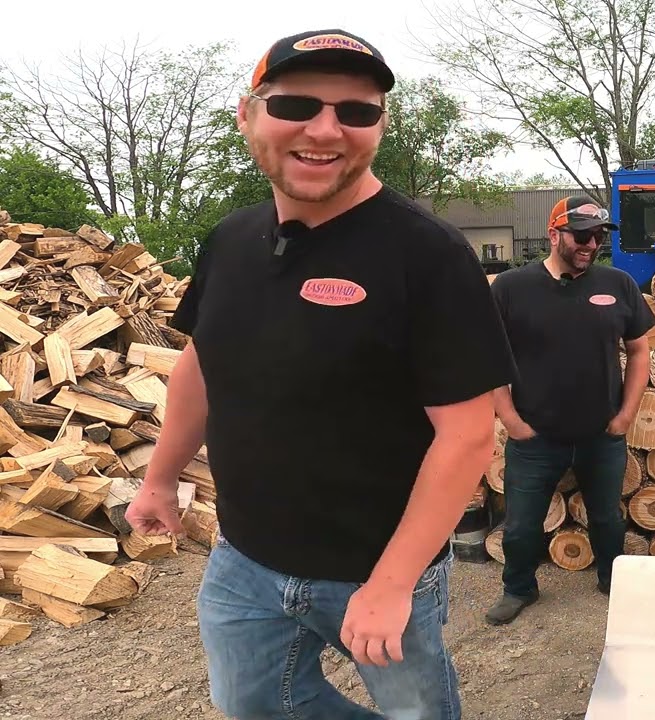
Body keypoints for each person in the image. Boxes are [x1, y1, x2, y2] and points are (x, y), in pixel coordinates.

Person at [123, 28, 516, 720]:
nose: (326, 129)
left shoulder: (428, 256)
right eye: (296, 104)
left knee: (415, 716)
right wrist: (160, 479)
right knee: (252, 706)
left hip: (379, 565)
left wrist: (392, 584)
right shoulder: (231, 240)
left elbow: (466, 436)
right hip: (244, 559)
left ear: (380, 127)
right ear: (247, 115)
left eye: (356, 112)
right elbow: (202, 365)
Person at [484, 195, 655, 626]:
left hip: (602, 434)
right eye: (581, 235)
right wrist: (511, 420)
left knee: (606, 518)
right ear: (553, 233)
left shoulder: (618, 285)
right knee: (521, 526)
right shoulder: (510, 288)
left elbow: (639, 350)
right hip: (534, 437)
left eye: (598, 235)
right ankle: (518, 587)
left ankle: (612, 580)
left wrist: (625, 416)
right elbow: (487, 360)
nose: (591, 243)